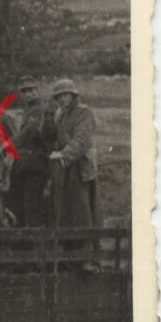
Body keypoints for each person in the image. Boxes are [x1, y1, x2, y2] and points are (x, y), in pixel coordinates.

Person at [48, 79, 99, 232]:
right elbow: (53, 137)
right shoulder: (60, 114)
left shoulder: (84, 112)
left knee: (82, 207)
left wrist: (64, 154)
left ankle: (87, 247)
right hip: (64, 165)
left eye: (66, 95)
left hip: (81, 165)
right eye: (59, 96)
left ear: (73, 95)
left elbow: (82, 140)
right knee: (63, 207)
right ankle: (68, 245)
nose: (62, 99)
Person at [7, 76, 55, 227]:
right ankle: (23, 241)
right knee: (17, 203)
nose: (27, 94)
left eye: (31, 90)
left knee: (32, 205)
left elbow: (28, 133)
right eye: (24, 91)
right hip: (24, 163)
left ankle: (34, 244)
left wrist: (5, 146)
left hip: (36, 164)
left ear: (38, 90)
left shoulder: (42, 109)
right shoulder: (27, 110)